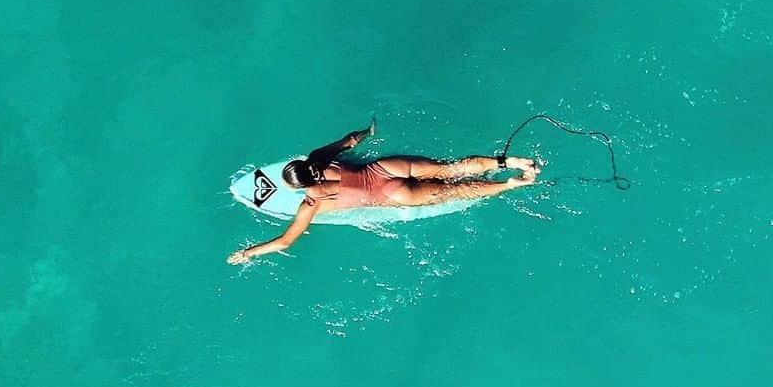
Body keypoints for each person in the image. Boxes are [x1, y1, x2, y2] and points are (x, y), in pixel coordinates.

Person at [226, 120, 539, 264]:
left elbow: (286, 241)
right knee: (451, 169)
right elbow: (349, 141)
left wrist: (248, 252)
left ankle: (510, 184)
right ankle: (509, 161)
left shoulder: (311, 203)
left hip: (392, 196)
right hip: (388, 169)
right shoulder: (317, 157)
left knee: (455, 193)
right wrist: (368, 131)